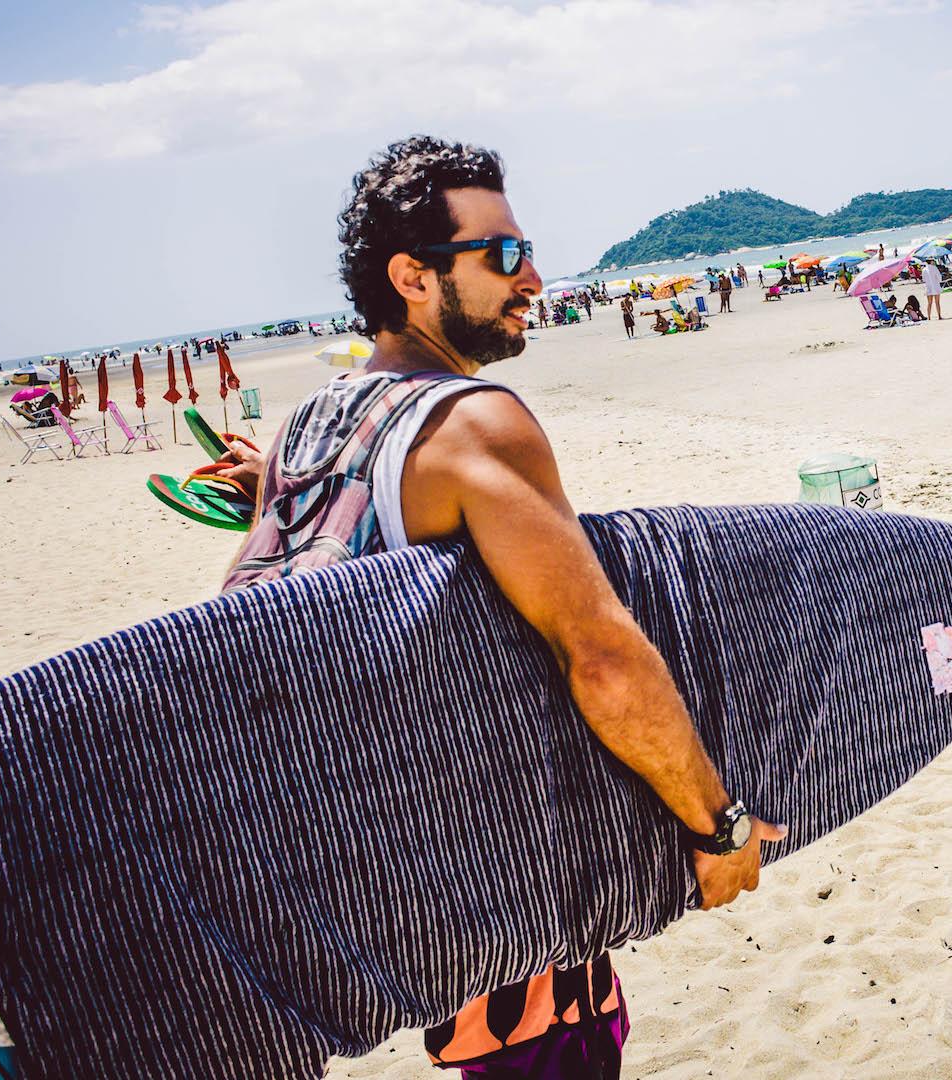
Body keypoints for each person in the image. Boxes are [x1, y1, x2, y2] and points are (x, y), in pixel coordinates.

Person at [209, 137, 783, 1079]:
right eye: (503, 255)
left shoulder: (314, 419)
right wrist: (716, 826)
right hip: (496, 871)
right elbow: (599, 652)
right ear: (412, 276)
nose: (534, 277)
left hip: (375, 867)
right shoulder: (475, 422)